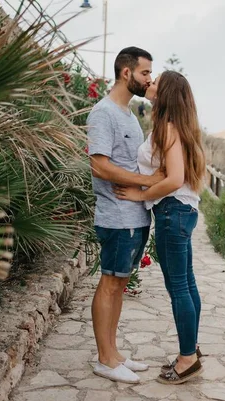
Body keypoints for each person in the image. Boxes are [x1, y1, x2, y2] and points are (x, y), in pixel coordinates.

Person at [114, 70, 206, 385]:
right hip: (181, 211)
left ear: (165, 93)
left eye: (156, 82)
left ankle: (187, 359)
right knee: (187, 283)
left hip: (171, 211)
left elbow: (174, 179)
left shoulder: (168, 129)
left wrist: (141, 194)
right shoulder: (177, 127)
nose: (150, 84)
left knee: (178, 286)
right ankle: (190, 349)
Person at [86, 46, 163, 384]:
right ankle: (104, 359)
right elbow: (100, 165)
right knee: (110, 283)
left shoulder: (129, 114)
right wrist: (145, 182)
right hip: (116, 216)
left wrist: (144, 193)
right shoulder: (103, 113)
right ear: (126, 72)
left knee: (120, 284)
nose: (150, 79)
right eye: (145, 73)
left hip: (135, 217)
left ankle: (113, 353)